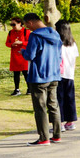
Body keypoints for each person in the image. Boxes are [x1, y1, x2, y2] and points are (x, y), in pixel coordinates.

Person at [20, 13, 63, 146]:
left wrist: (22, 51)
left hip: (39, 76)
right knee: (53, 105)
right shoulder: (55, 33)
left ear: (31, 22)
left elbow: (30, 55)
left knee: (40, 107)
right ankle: (57, 135)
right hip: (54, 74)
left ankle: (44, 137)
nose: (27, 28)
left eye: (27, 25)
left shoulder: (35, 35)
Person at [55, 20, 79, 131]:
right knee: (69, 98)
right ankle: (70, 122)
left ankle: (59, 122)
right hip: (69, 74)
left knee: (58, 99)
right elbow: (74, 58)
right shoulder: (72, 43)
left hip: (58, 74)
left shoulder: (57, 43)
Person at [5, 17, 29, 96]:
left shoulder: (26, 32)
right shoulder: (11, 32)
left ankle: (29, 89)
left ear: (20, 23)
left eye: (14, 24)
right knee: (16, 73)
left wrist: (21, 43)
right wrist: (12, 44)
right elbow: (7, 43)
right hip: (15, 56)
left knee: (26, 73)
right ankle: (17, 89)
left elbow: (30, 42)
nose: (12, 26)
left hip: (24, 55)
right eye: (11, 24)